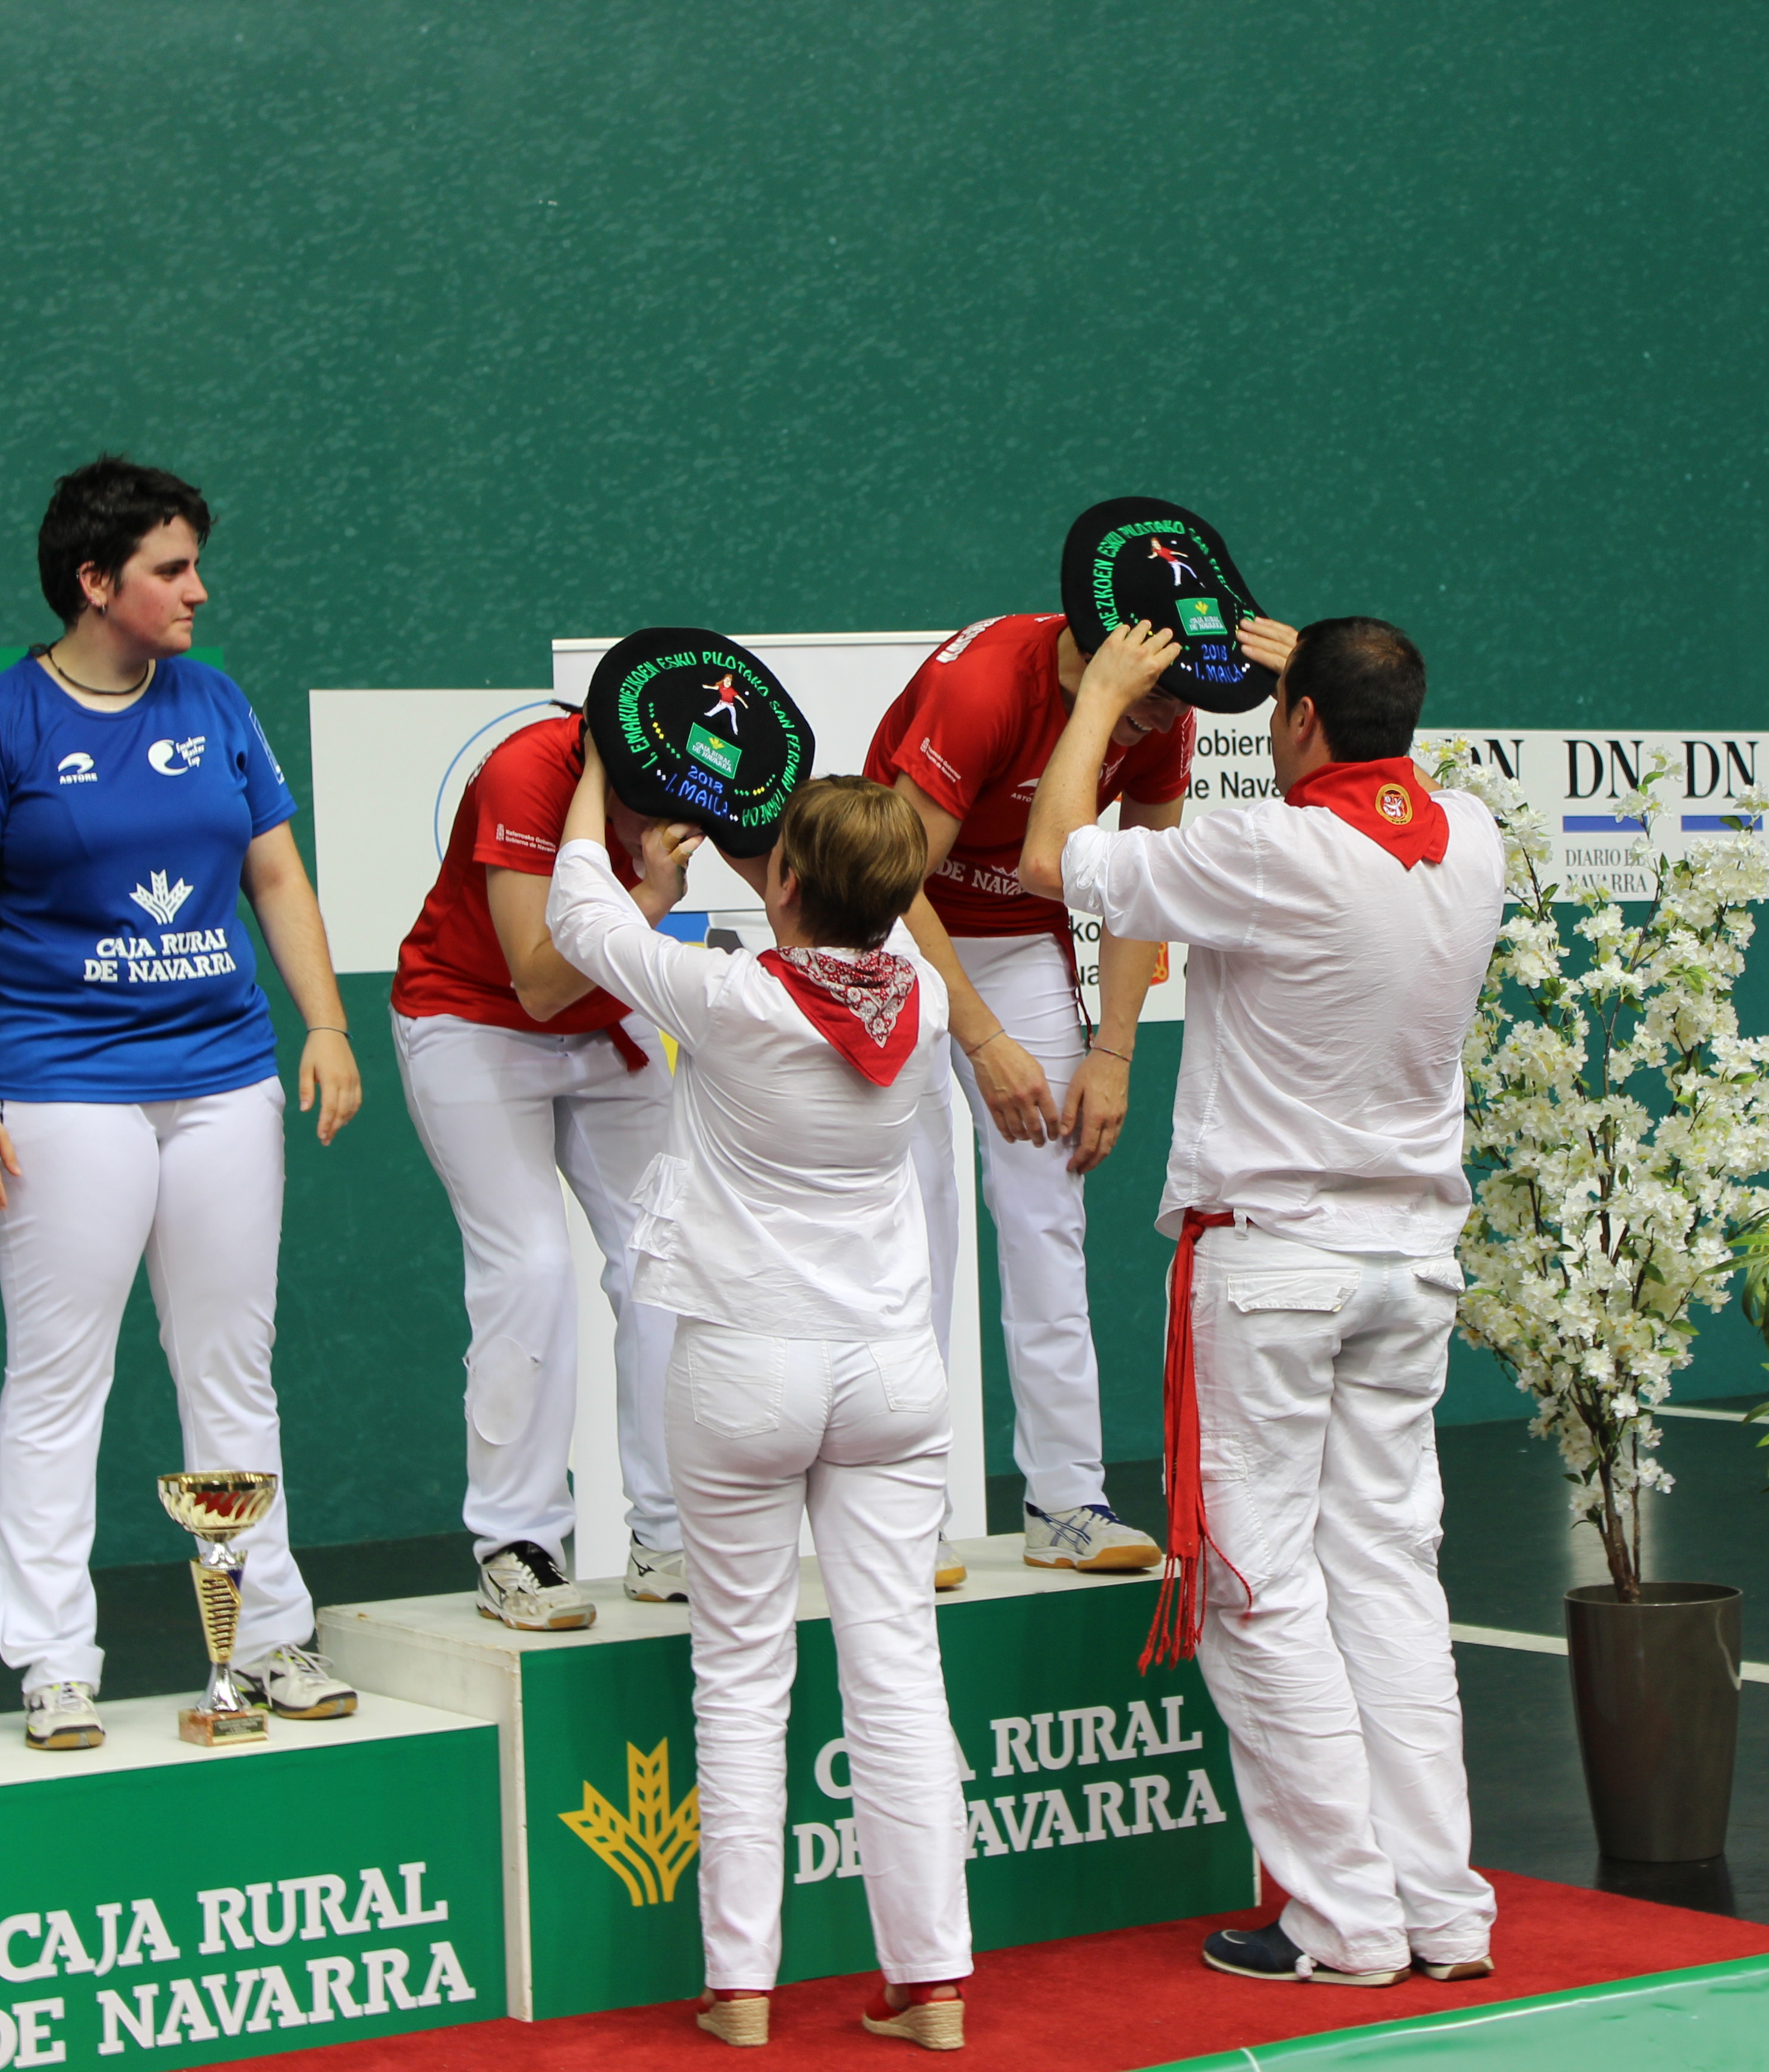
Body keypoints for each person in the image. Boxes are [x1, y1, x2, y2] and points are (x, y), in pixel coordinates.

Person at [1021, 612, 1504, 1989]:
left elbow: (1054, 859)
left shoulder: (1269, 849)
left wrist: (1104, 696)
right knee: (1391, 1576)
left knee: (1259, 1585)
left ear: (1297, 722)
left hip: (1277, 1265)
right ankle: (1444, 1912)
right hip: (1411, 1267)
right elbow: (1394, 773)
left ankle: (1344, 1921)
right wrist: (1328, 685)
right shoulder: (1473, 838)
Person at [0, 456, 363, 1752]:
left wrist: (325, 1025)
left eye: (195, 565)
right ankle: (55, 1662)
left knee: (233, 1368)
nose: (198, 591)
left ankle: (267, 1637)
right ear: (95, 581)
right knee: (60, 1379)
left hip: (224, 1079)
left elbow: (276, 879)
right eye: (172, 570)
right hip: (64, 1087)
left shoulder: (215, 701)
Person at [545, 750, 972, 2052]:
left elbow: (579, 914)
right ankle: (933, 1989)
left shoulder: (731, 995)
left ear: (779, 880)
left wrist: (602, 767)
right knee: (899, 1669)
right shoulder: (930, 1003)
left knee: (740, 1673)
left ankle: (740, 1988)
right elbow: (849, 929)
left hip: (744, 1369)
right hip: (890, 1372)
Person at [861, 612, 1180, 1576]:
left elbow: (1140, 886)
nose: (1156, 726)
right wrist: (983, 1036)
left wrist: (1113, 1052)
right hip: (896, 938)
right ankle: (903, 1519)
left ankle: (1067, 1502)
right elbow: (893, 885)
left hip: (1020, 944)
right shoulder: (982, 689)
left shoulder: (1168, 707)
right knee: (915, 1228)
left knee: (1048, 1215)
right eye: (1144, 709)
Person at [391, 709, 690, 1631]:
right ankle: (515, 1546)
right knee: (530, 1269)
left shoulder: (699, 763)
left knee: (669, 1259)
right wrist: (650, 897)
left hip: (606, 1020)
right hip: (473, 1017)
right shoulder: (526, 773)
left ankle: (673, 1536)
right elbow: (539, 981)